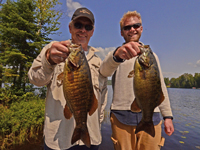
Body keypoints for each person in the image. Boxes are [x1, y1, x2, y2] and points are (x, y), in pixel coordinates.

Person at [28, 7, 108, 150]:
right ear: (70, 28)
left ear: (92, 32)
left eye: (88, 27)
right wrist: (49, 61)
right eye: (78, 25)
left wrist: (99, 122)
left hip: (91, 137)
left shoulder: (98, 62)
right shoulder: (52, 50)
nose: (83, 30)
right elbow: (35, 80)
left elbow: (102, 97)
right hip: (59, 140)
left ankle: (82, 127)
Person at [99, 11, 174, 150]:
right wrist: (117, 56)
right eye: (127, 27)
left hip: (152, 117)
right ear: (121, 32)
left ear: (141, 28)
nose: (132, 29)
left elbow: (161, 87)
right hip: (122, 117)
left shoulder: (152, 57)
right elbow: (103, 71)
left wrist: (168, 116)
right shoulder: (115, 54)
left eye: (136, 25)